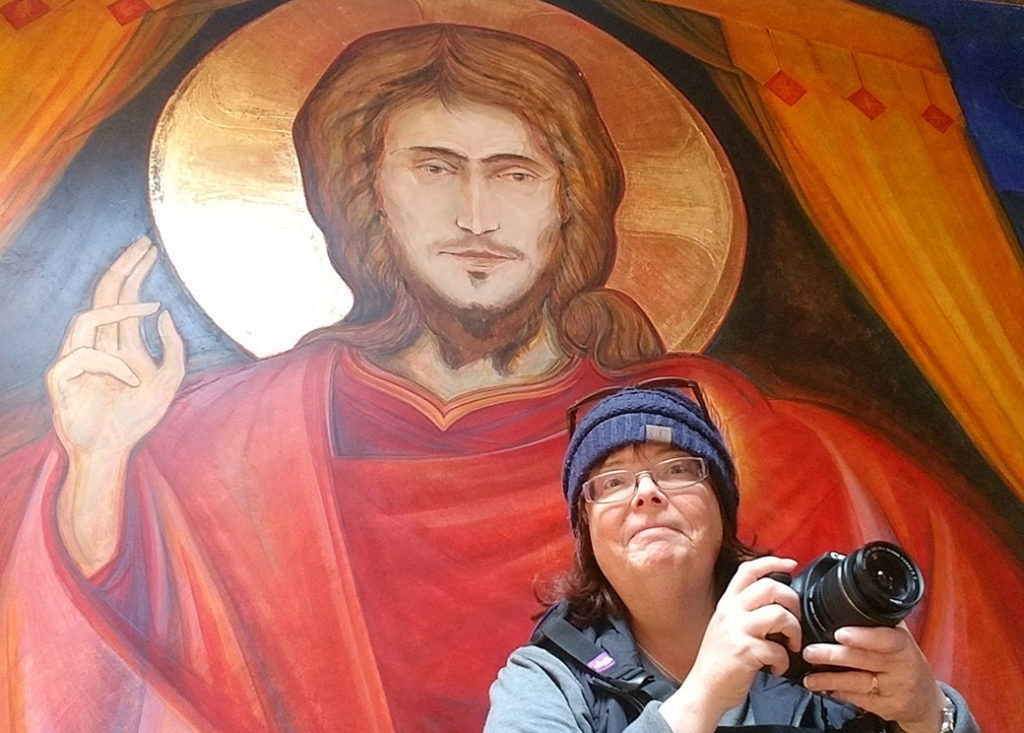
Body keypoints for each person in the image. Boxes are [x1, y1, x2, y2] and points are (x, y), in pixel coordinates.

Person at [0, 22, 1018, 732]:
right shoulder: (223, 432)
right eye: (434, 169)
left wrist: (926, 710)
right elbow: (100, 665)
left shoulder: (752, 438)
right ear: (367, 200)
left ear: (573, 203)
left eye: (517, 173)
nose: (476, 216)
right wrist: (96, 466)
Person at [484, 384, 979, 733]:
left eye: (677, 469)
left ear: (722, 510)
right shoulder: (546, 679)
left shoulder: (814, 639)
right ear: (586, 531)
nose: (647, 493)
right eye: (612, 482)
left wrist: (927, 714)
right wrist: (702, 697)